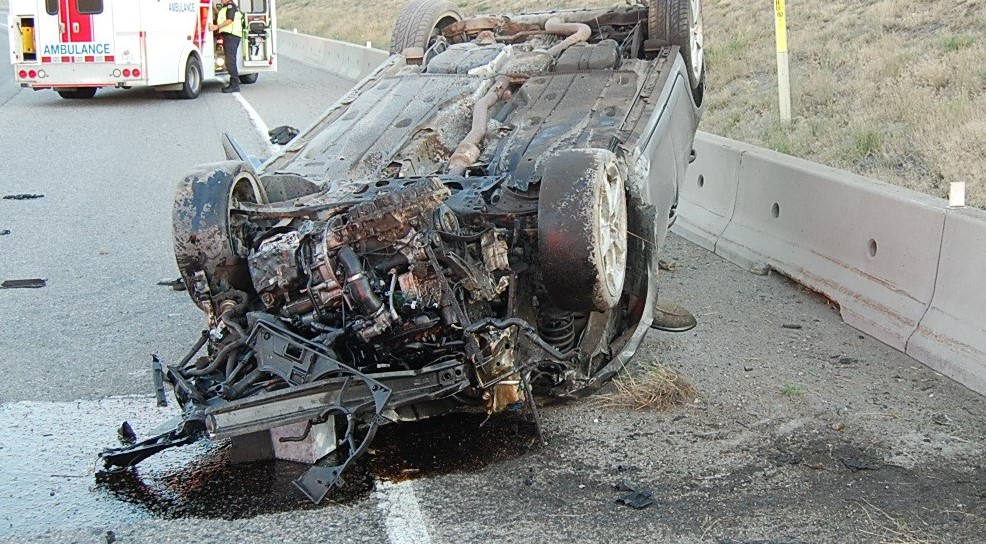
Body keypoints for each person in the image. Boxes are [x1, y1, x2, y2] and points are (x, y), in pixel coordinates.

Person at [210, 0, 243, 93]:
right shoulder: (225, 8)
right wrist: (214, 8)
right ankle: (234, 83)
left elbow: (230, 20)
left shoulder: (230, 7)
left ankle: (235, 85)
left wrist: (217, 26)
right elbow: (221, 16)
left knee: (230, 61)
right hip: (230, 36)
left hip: (231, 36)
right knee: (229, 60)